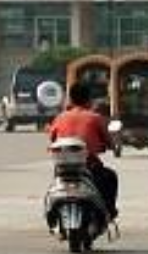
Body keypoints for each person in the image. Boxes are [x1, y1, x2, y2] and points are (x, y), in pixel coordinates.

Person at [48, 82, 119, 219]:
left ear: (71, 99)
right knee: (110, 177)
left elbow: (52, 140)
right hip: (89, 166)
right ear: (89, 99)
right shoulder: (95, 118)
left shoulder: (60, 117)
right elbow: (109, 142)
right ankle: (109, 211)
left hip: (62, 169)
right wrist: (109, 145)